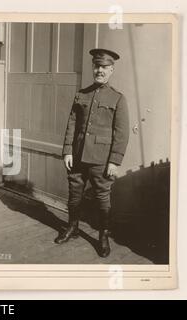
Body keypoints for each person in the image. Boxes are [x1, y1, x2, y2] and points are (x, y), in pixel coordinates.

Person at [54, 48, 130, 258]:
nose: (100, 70)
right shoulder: (82, 94)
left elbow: (122, 133)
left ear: (111, 70)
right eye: (97, 66)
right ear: (93, 68)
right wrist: (68, 150)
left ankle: (103, 236)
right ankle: (73, 227)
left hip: (101, 159)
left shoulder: (118, 99)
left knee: (102, 197)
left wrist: (114, 160)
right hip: (77, 156)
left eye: (104, 67)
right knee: (74, 193)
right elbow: (72, 123)